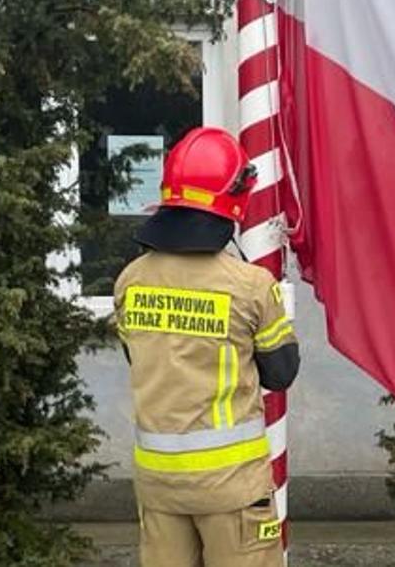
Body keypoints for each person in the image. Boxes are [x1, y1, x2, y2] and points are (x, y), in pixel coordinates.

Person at [115, 126, 300, 567]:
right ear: (233, 198)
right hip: (232, 488)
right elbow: (280, 373)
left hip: (159, 484)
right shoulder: (251, 285)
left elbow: (136, 356)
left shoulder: (130, 280)